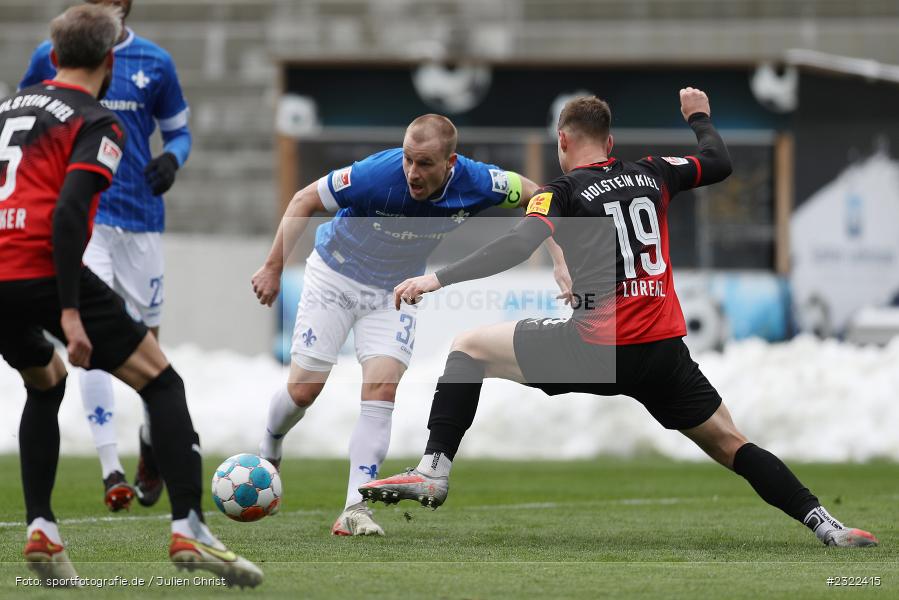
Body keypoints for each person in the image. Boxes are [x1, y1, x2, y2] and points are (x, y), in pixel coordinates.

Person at [359, 90, 878, 549]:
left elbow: (519, 243)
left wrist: (437, 279)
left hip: (594, 351)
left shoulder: (561, 191)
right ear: (610, 143)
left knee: (469, 345)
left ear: (563, 141)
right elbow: (717, 161)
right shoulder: (654, 171)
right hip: (662, 355)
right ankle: (825, 524)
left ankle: (435, 469)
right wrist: (699, 117)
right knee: (732, 444)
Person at [0, 5, 261, 586]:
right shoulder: (96, 121)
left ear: (55, 54)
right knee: (162, 380)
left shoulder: (8, 107)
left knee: (45, 380)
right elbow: (68, 214)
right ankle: (189, 528)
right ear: (110, 59)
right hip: (40, 267)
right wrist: (69, 310)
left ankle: (41, 527)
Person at [251, 114, 571, 536]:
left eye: (424, 164)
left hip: (395, 291)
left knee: (381, 389)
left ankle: (354, 509)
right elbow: (301, 201)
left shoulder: (479, 182)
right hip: (335, 275)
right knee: (304, 390)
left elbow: (539, 195)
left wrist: (560, 259)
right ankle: (270, 445)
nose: (412, 173)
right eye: (408, 160)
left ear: (450, 162)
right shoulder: (374, 175)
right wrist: (272, 268)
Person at [19, 0, 191, 512]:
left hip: (143, 219)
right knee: (87, 335)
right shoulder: (49, 56)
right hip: (84, 219)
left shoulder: (155, 62)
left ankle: (149, 440)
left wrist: (170, 160)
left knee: (146, 342)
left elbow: (180, 132)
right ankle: (109, 466)